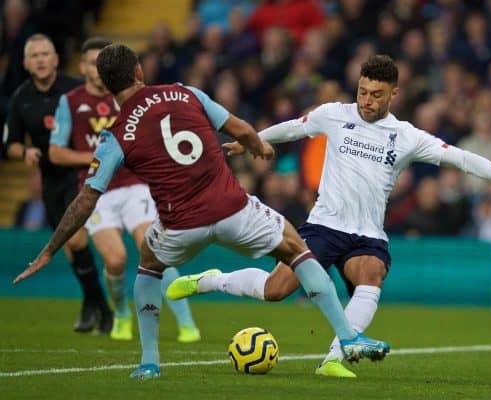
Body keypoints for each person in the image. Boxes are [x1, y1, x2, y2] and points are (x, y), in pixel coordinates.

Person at [13, 44, 390, 380]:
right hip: (234, 210)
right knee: (296, 247)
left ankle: (149, 362)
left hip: (180, 227)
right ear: (140, 71)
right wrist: (257, 146)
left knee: (147, 266)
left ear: (107, 87)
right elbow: (239, 128)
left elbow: (86, 199)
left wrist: (49, 249)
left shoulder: (115, 134)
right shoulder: (184, 92)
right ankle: (348, 335)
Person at [177, 55, 491, 378]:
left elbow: (459, 157)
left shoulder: (406, 136)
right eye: (362, 91)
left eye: (376, 94)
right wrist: (251, 141)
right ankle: (210, 280)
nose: (366, 100)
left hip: (367, 235)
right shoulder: (335, 114)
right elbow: (294, 127)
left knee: (371, 274)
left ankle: (334, 358)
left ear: (393, 93)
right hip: (323, 227)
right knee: (275, 290)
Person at [48, 37, 200, 343]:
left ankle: (186, 322)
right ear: (83, 67)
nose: (97, 69)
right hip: (97, 192)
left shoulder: (131, 99)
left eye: (101, 63)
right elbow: (55, 153)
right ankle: (121, 314)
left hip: (134, 186)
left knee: (155, 250)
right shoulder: (72, 101)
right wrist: (99, 159)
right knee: (115, 259)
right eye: (91, 63)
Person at [3, 33, 112, 333]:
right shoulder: (21, 98)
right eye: (34, 56)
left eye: (45, 54)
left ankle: (100, 308)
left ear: (55, 59)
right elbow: (9, 144)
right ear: (25, 63)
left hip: (82, 176)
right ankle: (97, 306)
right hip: (52, 178)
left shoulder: (76, 89)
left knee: (75, 239)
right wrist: (25, 151)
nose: (40, 60)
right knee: (69, 247)